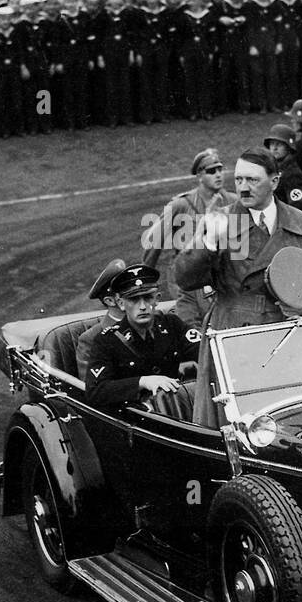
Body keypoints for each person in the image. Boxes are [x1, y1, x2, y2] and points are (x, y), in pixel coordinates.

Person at [175, 146, 302, 424]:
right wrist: (209, 243)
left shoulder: (299, 221)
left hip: (288, 336)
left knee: (289, 422)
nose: (243, 188)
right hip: (235, 337)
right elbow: (185, 278)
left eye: (252, 180)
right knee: (238, 427)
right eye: (238, 180)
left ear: (274, 181)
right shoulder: (220, 220)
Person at [84, 264, 202, 412]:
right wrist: (142, 381)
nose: (142, 306)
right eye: (133, 300)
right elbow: (96, 391)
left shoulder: (172, 324)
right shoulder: (107, 341)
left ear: (157, 299)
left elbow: (205, 352)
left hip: (178, 408)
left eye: (147, 298)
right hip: (139, 419)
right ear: (121, 304)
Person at [141, 148, 236, 325]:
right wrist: (144, 280)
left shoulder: (233, 201)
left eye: (220, 169)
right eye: (211, 171)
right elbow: (154, 242)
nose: (218, 175)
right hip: (189, 279)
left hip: (223, 276)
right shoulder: (181, 205)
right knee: (190, 325)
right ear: (199, 175)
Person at [75, 258, 127, 380]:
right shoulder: (90, 339)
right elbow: (93, 388)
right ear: (110, 301)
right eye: (129, 293)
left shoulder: (147, 323)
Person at [263, 122, 302, 206]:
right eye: (272, 143)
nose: (274, 148)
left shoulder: (293, 174)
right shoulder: (273, 169)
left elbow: (298, 206)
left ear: (288, 148)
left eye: (279, 144)